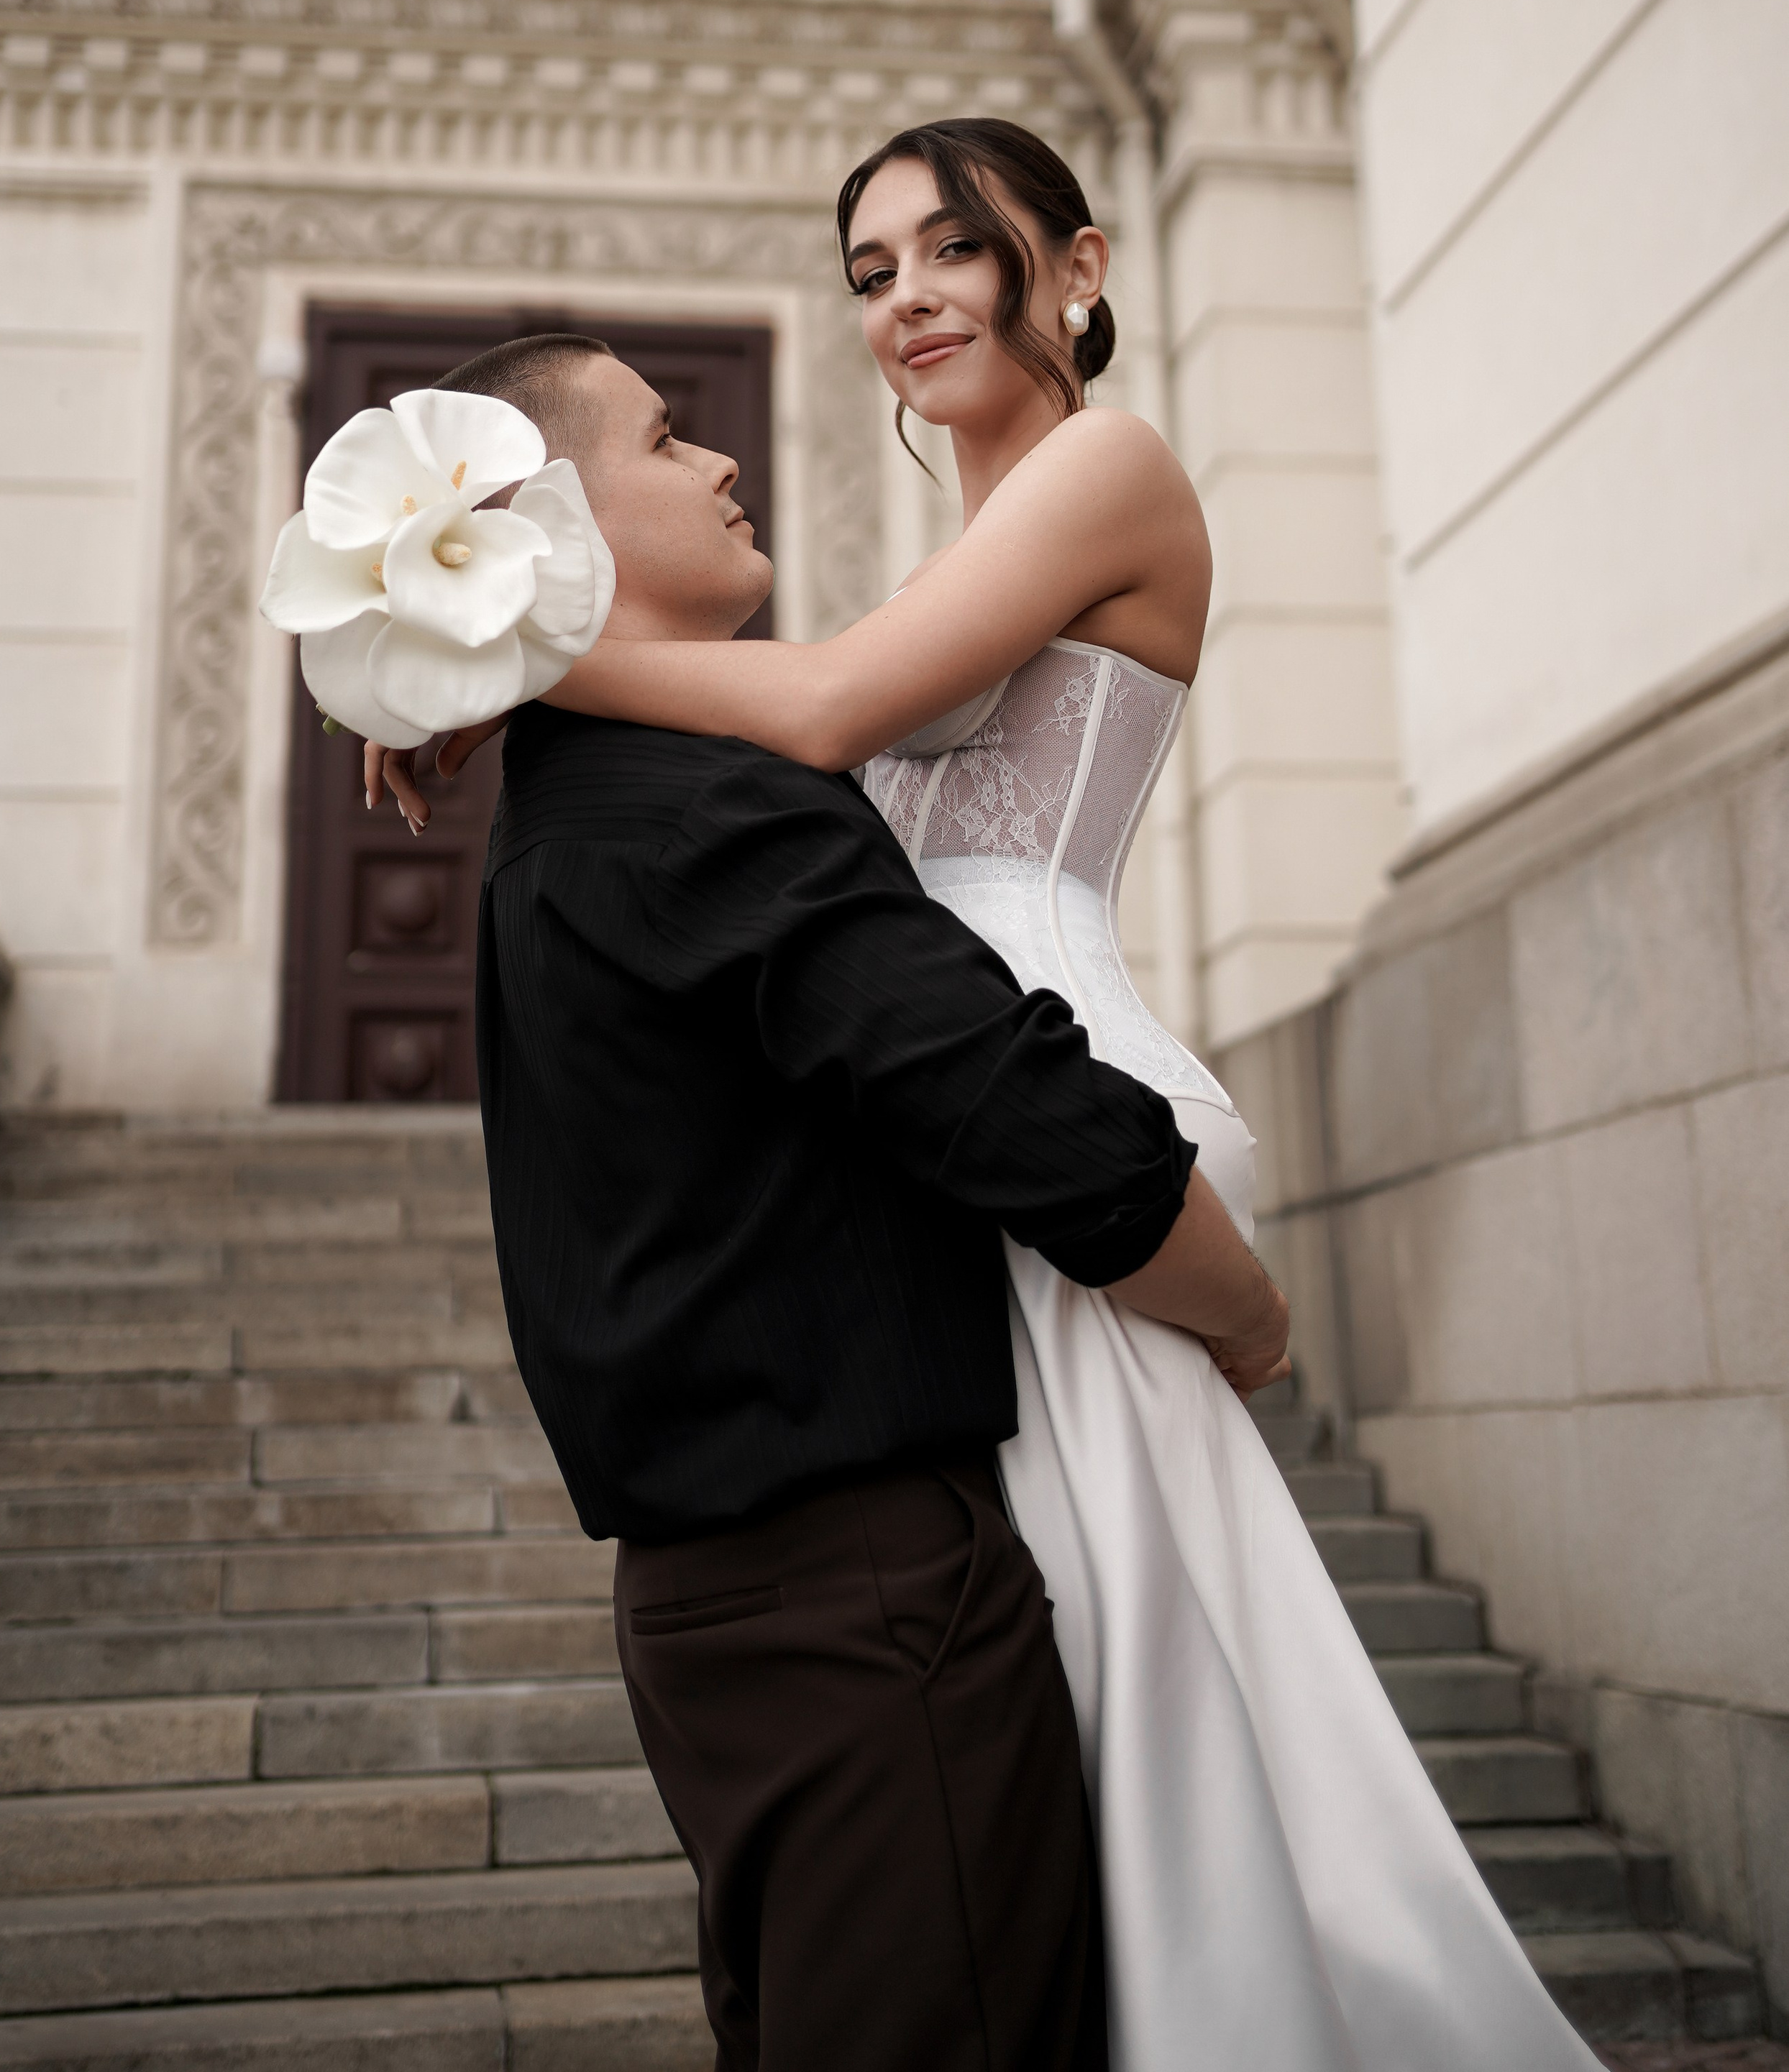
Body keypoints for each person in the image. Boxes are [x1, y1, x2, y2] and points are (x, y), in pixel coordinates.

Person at [378, 119, 1600, 2072]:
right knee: (1054, 1672)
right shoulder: (942, 561)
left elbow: (819, 714)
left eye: (958, 248)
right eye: (871, 273)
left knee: (1144, 1672)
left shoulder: (1104, 471)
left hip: (1033, 1080)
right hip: (915, 1139)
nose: (913, 296)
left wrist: (478, 637)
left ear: (1081, 265)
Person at [385, 323, 1291, 2072]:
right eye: (663, 441)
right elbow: (1007, 1104)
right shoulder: (694, 805)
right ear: (540, 515)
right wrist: (1247, 1308)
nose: (720, 460)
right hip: (857, 1596)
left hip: (721, 1606)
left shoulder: (570, 804)